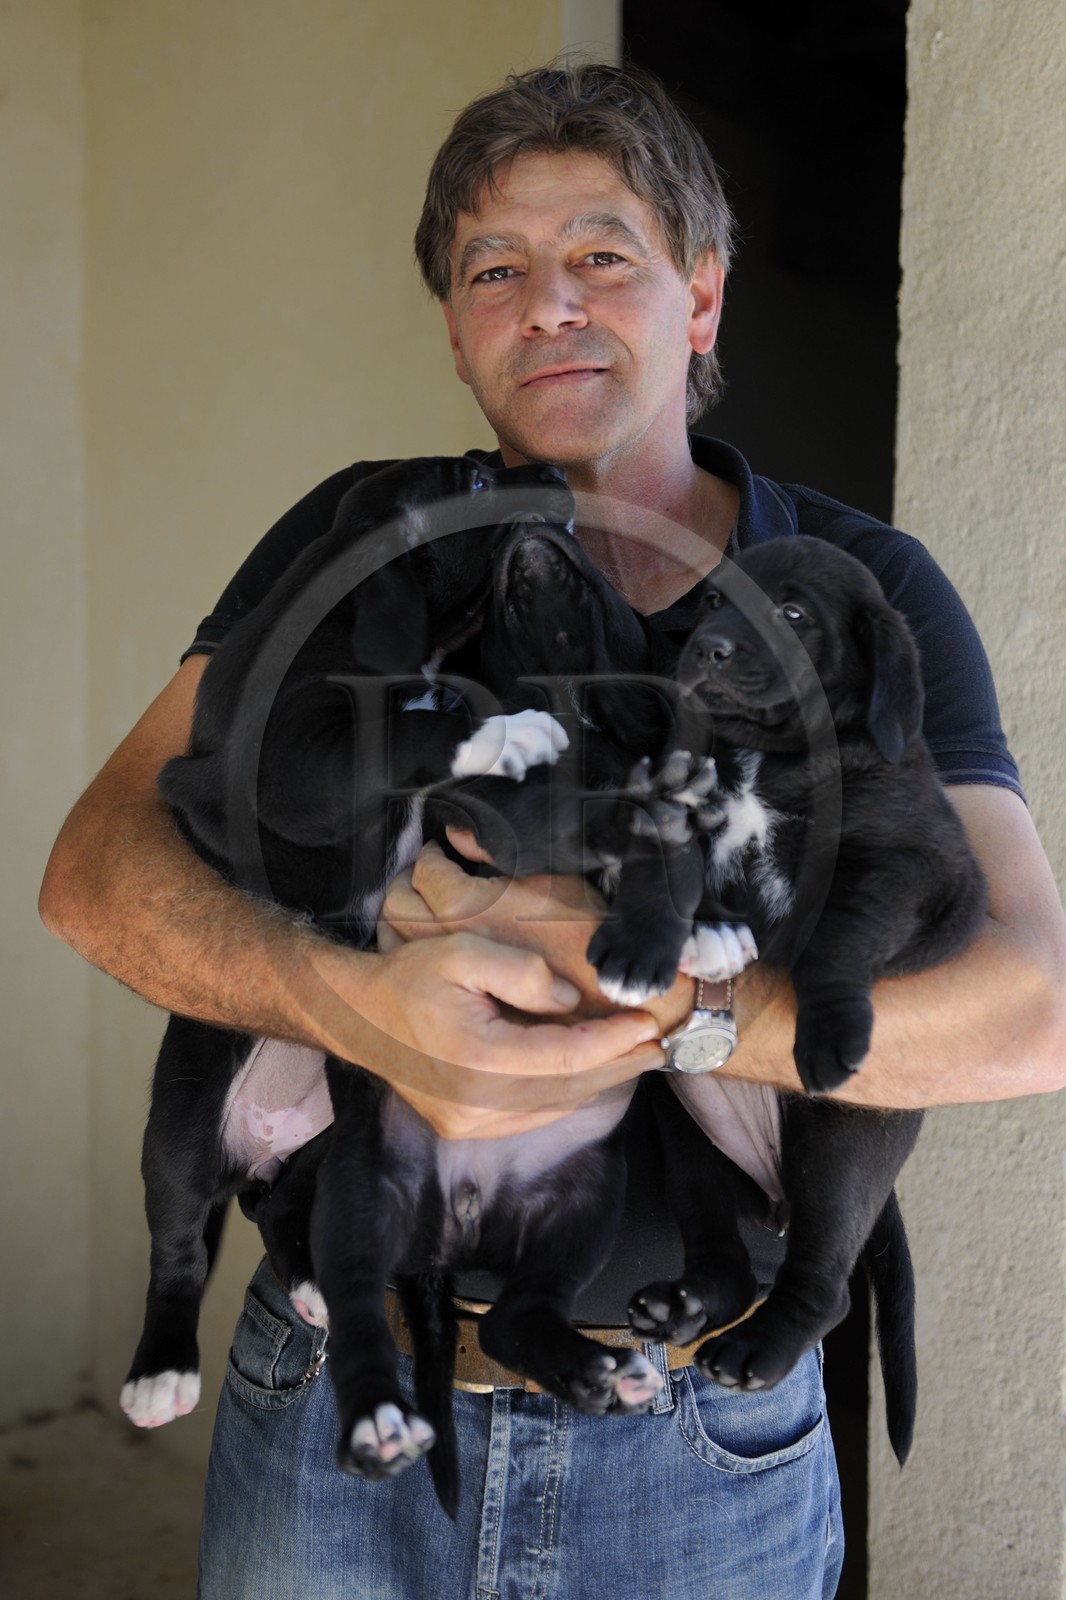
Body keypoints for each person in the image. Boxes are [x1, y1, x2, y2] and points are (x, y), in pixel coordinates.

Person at [40, 61, 1066, 1600]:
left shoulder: (857, 584)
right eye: (494, 271)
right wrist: (351, 991)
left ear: (700, 300)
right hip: (330, 1388)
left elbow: (1028, 1012)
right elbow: (96, 874)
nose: (548, 306)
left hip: (697, 1440)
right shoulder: (362, 535)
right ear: (455, 327)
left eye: (603, 257)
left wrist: (676, 1012)